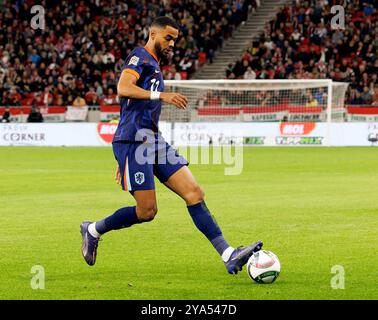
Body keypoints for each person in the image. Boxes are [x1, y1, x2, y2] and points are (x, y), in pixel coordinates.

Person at [80, 16, 262, 275]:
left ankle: (229, 254)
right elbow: (123, 87)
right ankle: (93, 229)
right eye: (168, 38)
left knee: (195, 193)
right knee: (147, 211)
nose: (172, 44)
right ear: (153, 35)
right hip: (133, 142)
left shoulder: (154, 64)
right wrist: (161, 95)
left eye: (175, 40)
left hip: (153, 140)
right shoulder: (139, 57)